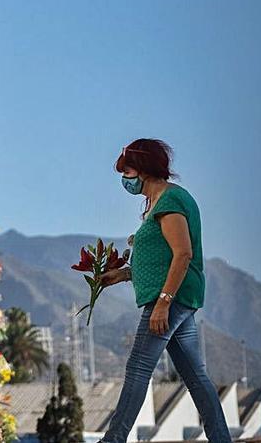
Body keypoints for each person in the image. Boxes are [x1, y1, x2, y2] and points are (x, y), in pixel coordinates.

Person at [97, 138, 232, 443]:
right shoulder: (160, 202)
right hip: (175, 297)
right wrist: (123, 274)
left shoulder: (170, 201)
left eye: (127, 170)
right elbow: (162, 259)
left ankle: (112, 440)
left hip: (171, 299)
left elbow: (182, 254)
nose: (125, 178)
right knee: (196, 376)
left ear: (143, 169)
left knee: (138, 368)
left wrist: (163, 303)